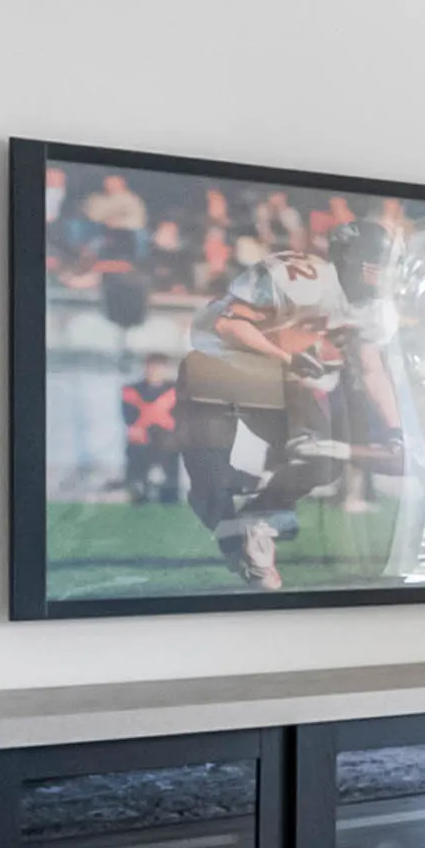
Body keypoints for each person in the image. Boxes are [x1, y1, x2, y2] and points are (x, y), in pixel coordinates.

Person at [176, 244, 360, 591]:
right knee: (210, 488)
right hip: (216, 363)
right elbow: (229, 327)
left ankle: (256, 520)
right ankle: (242, 552)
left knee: (323, 456)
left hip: (273, 371)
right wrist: (288, 359)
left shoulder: (368, 303)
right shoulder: (303, 279)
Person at [118, 354, 184, 504]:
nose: (154, 371)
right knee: (137, 447)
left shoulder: (176, 391)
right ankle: (138, 491)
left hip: (166, 440)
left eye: (158, 367)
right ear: (145, 368)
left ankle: (169, 493)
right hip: (142, 440)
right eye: (151, 367)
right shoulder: (132, 390)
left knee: (171, 446)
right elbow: (129, 416)